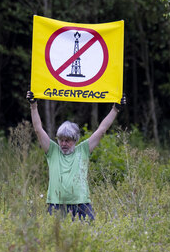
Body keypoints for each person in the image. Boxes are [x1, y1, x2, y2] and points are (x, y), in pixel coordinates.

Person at [27, 90, 124, 222]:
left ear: (75, 140)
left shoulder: (83, 150)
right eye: (61, 140)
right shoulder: (52, 151)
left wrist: (115, 109)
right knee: (55, 242)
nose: (64, 143)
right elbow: (38, 129)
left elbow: (101, 130)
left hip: (81, 204)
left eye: (68, 140)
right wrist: (33, 106)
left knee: (89, 239)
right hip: (56, 205)